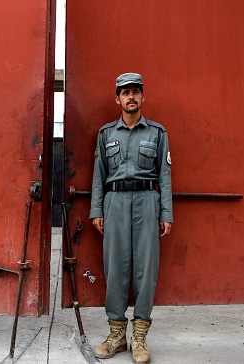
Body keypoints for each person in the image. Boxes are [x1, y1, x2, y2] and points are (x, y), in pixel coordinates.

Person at [90, 72, 173, 364]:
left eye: (136, 91)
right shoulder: (105, 134)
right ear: (117, 99)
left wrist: (166, 213)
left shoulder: (157, 133)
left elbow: (164, 174)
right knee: (115, 269)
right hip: (115, 202)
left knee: (146, 270)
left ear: (143, 97)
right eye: (125, 93)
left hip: (147, 202)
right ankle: (116, 335)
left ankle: (139, 337)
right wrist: (96, 210)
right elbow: (98, 176)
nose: (131, 97)